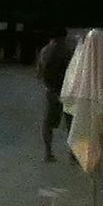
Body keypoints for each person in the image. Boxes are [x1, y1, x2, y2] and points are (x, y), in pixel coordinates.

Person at [35, 29, 74, 162]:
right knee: (71, 123)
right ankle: (73, 154)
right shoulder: (67, 51)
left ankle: (48, 152)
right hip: (67, 91)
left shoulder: (44, 51)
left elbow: (39, 73)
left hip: (51, 90)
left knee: (48, 123)